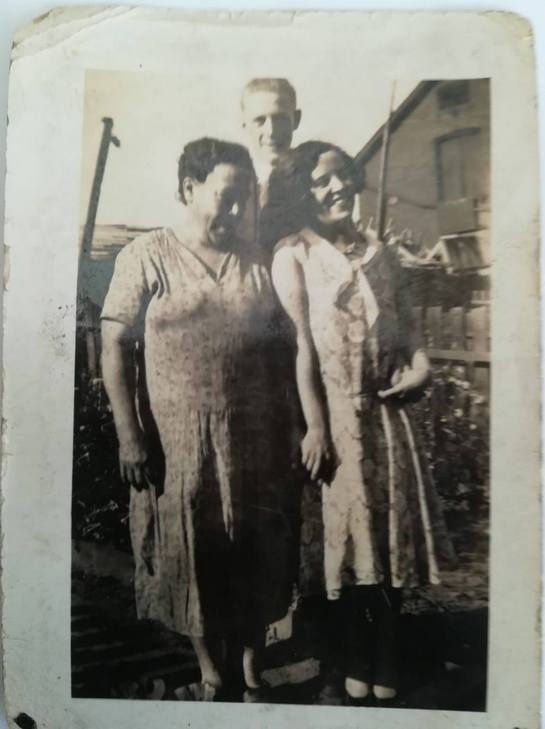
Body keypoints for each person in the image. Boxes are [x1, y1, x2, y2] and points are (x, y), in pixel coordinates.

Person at [101, 137, 292, 701]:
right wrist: (129, 435)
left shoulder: (261, 263)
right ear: (189, 189)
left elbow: (286, 352)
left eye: (244, 199)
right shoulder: (147, 255)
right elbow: (114, 346)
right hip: (179, 444)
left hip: (254, 443)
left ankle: (252, 669)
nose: (236, 211)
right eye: (225, 197)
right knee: (192, 555)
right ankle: (211, 671)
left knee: (255, 551)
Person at [271, 141, 455, 705]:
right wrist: (316, 427)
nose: (337, 187)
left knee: (390, 541)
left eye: (343, 176)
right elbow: (302, 349)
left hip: (387, 418)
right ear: (301, 192)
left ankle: (389, 659)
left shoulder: (383, 254)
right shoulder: (295, 254)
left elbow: (411, 336)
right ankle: (352, 662)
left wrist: (421, 370)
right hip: (337, 420)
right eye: (321, 181)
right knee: (349, 545)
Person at [240, 77, 303, 260]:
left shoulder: (316, 179)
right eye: (260, 120)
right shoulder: (234, 183)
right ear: (244, 123)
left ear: (296, 119)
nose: (271, 131)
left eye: (280, 119)